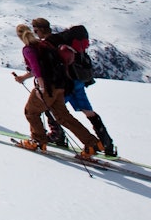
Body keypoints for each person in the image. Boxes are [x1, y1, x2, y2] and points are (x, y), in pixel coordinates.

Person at [12, 23, 101, 158]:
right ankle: (92, 143)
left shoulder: (28, 49)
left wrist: (41, 88)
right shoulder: (43, 45)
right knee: (63, 117)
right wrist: (23, 78)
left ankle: (38, 141)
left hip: (47, 87)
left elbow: (36, 69)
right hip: (60, 86)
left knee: (31, 112)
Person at [32, 18, 116, 156]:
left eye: (36, 31)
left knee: (51, 108)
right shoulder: (68, 39)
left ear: (40, 29)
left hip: (66, 83)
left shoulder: (52, 41)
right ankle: (106, 143)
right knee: (88, 111)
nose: (36, 34)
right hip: (78, 81)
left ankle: (57, 136)